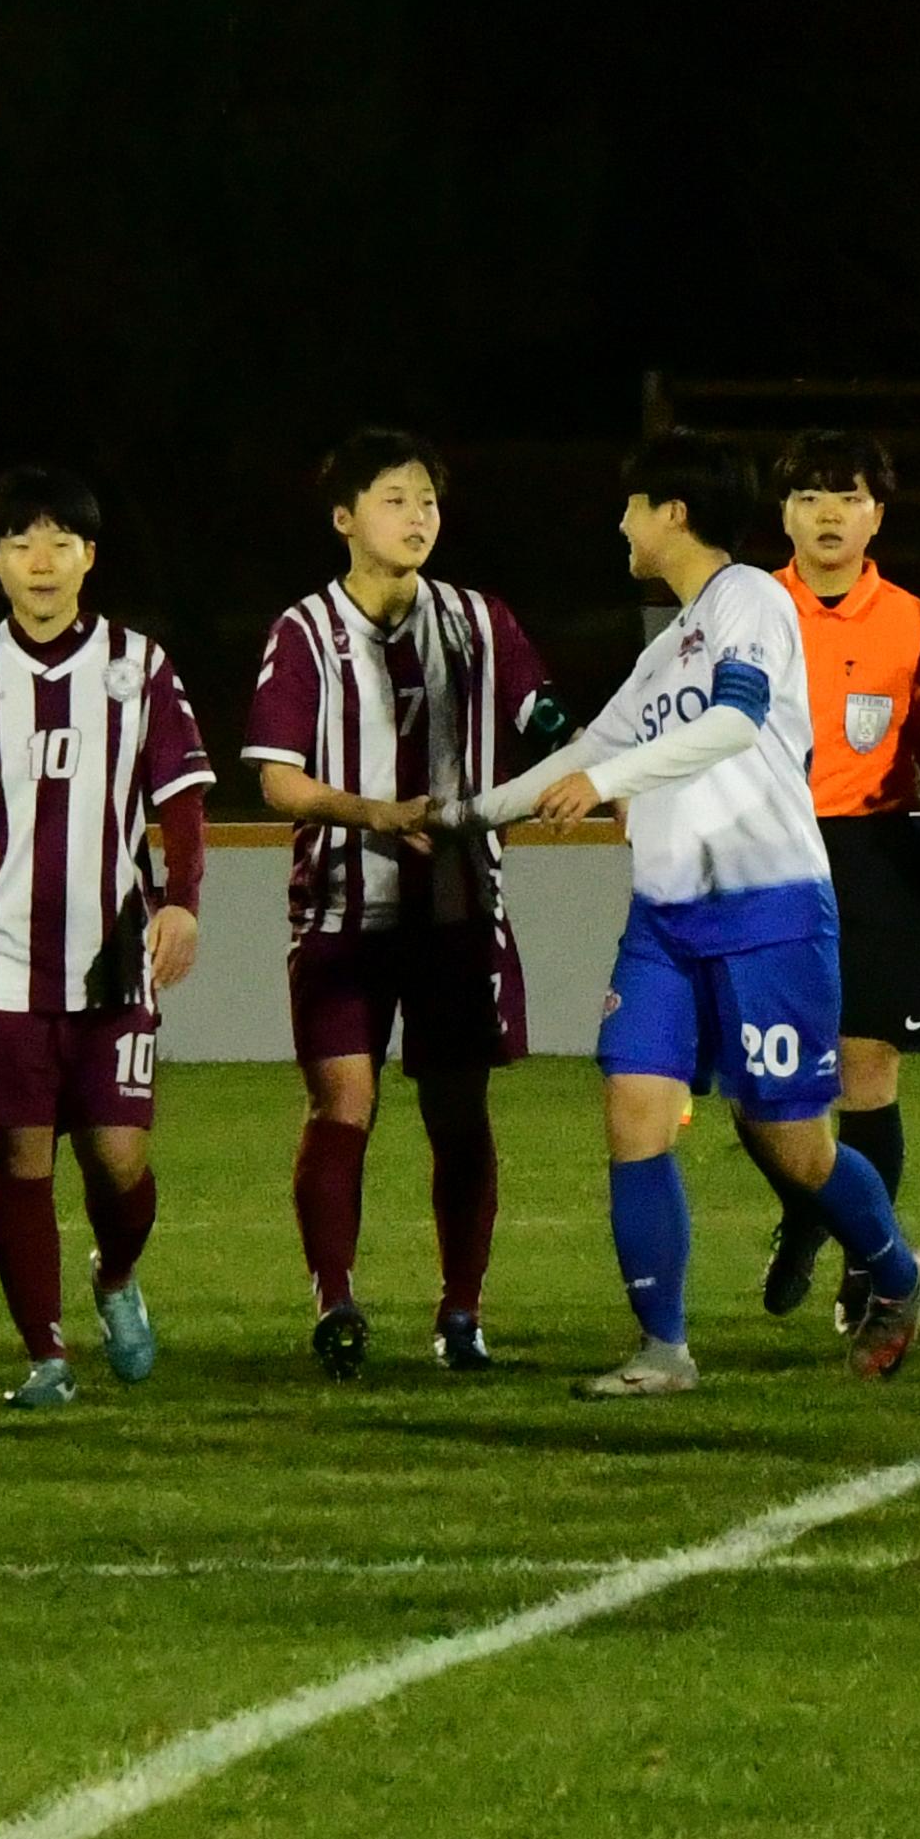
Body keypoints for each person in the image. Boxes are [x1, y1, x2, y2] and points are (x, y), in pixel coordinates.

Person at [455, 432, 920, 1396]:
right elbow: (584, 748)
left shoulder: (751, 600)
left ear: (672, 513)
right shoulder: (666, 644)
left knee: (793, 1142)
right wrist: (456, 816)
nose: (622, 524)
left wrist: (607, 778)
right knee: (634, 1110)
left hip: (769, 912)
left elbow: (734, 722)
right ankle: (664, 1348)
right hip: (666, 921)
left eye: (632, 505)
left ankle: (895, 1271)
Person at [244, 429, 552, 1378]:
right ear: (344, 519)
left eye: (426, 499)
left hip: (459, 914)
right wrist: (372, 813)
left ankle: (462, 1313)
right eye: (393, 498)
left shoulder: (477, 620)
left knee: (459, 1112)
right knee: (344, 1102)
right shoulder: (303, 633)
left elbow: (548, 722)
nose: (417, 516)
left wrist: (607, 767)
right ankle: (335, 1303)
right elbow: (275, 781)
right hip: (342, 915)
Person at [0, 467, 212, 1411]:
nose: (43, 559)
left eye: (61, 541)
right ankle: (46, 1353)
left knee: (119, 1156)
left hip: (110, 957)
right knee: (21, 1156)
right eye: (21, 542)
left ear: (90, 557)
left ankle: (113, 1277)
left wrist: (181, 899)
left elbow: (180, 794)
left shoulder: (136, 667)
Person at [770, 431, 920, 1326]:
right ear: (784, 513)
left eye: (847, 496)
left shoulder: (915, 622)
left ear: (876, 516)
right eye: (810, 495)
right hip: (771, 856)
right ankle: (805, 1217)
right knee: (768, 1087)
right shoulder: (749, 610)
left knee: (869, 1073)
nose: (828, 513)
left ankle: (867, 1269)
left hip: (877, 858)